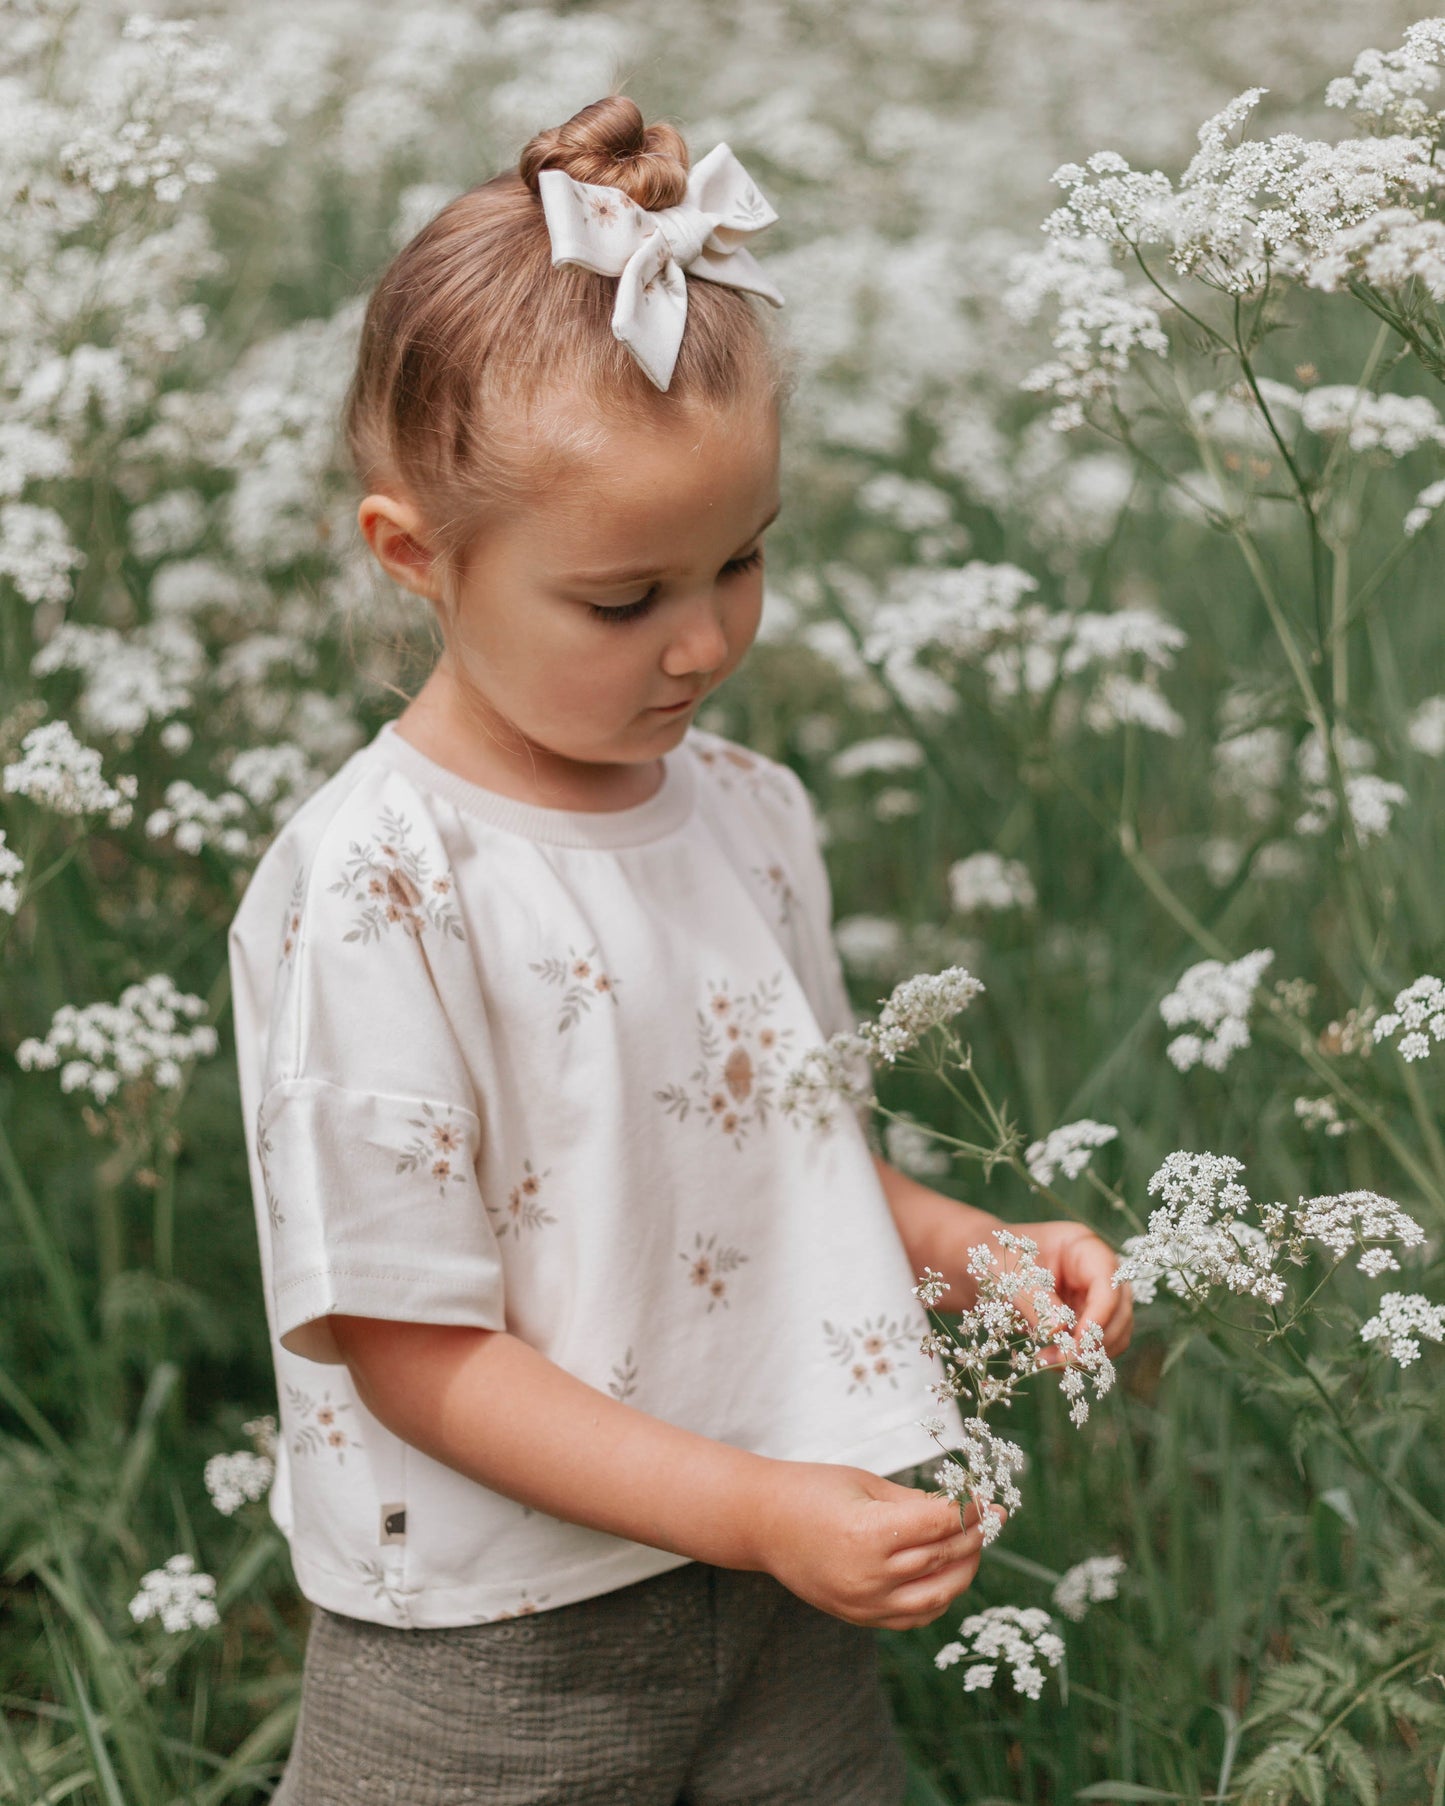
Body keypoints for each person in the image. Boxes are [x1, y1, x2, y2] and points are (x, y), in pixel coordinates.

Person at [227, 93, 1133, 1806]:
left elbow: (791, 1157)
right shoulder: (386, 880)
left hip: (782, 1574)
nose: (703, 640)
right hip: (496, 1632)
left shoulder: (745, 810)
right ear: (415, 554)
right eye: (623, 598)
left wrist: (974, 1251)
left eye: (741, 560)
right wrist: (751, 1507)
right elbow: (409, 1347)